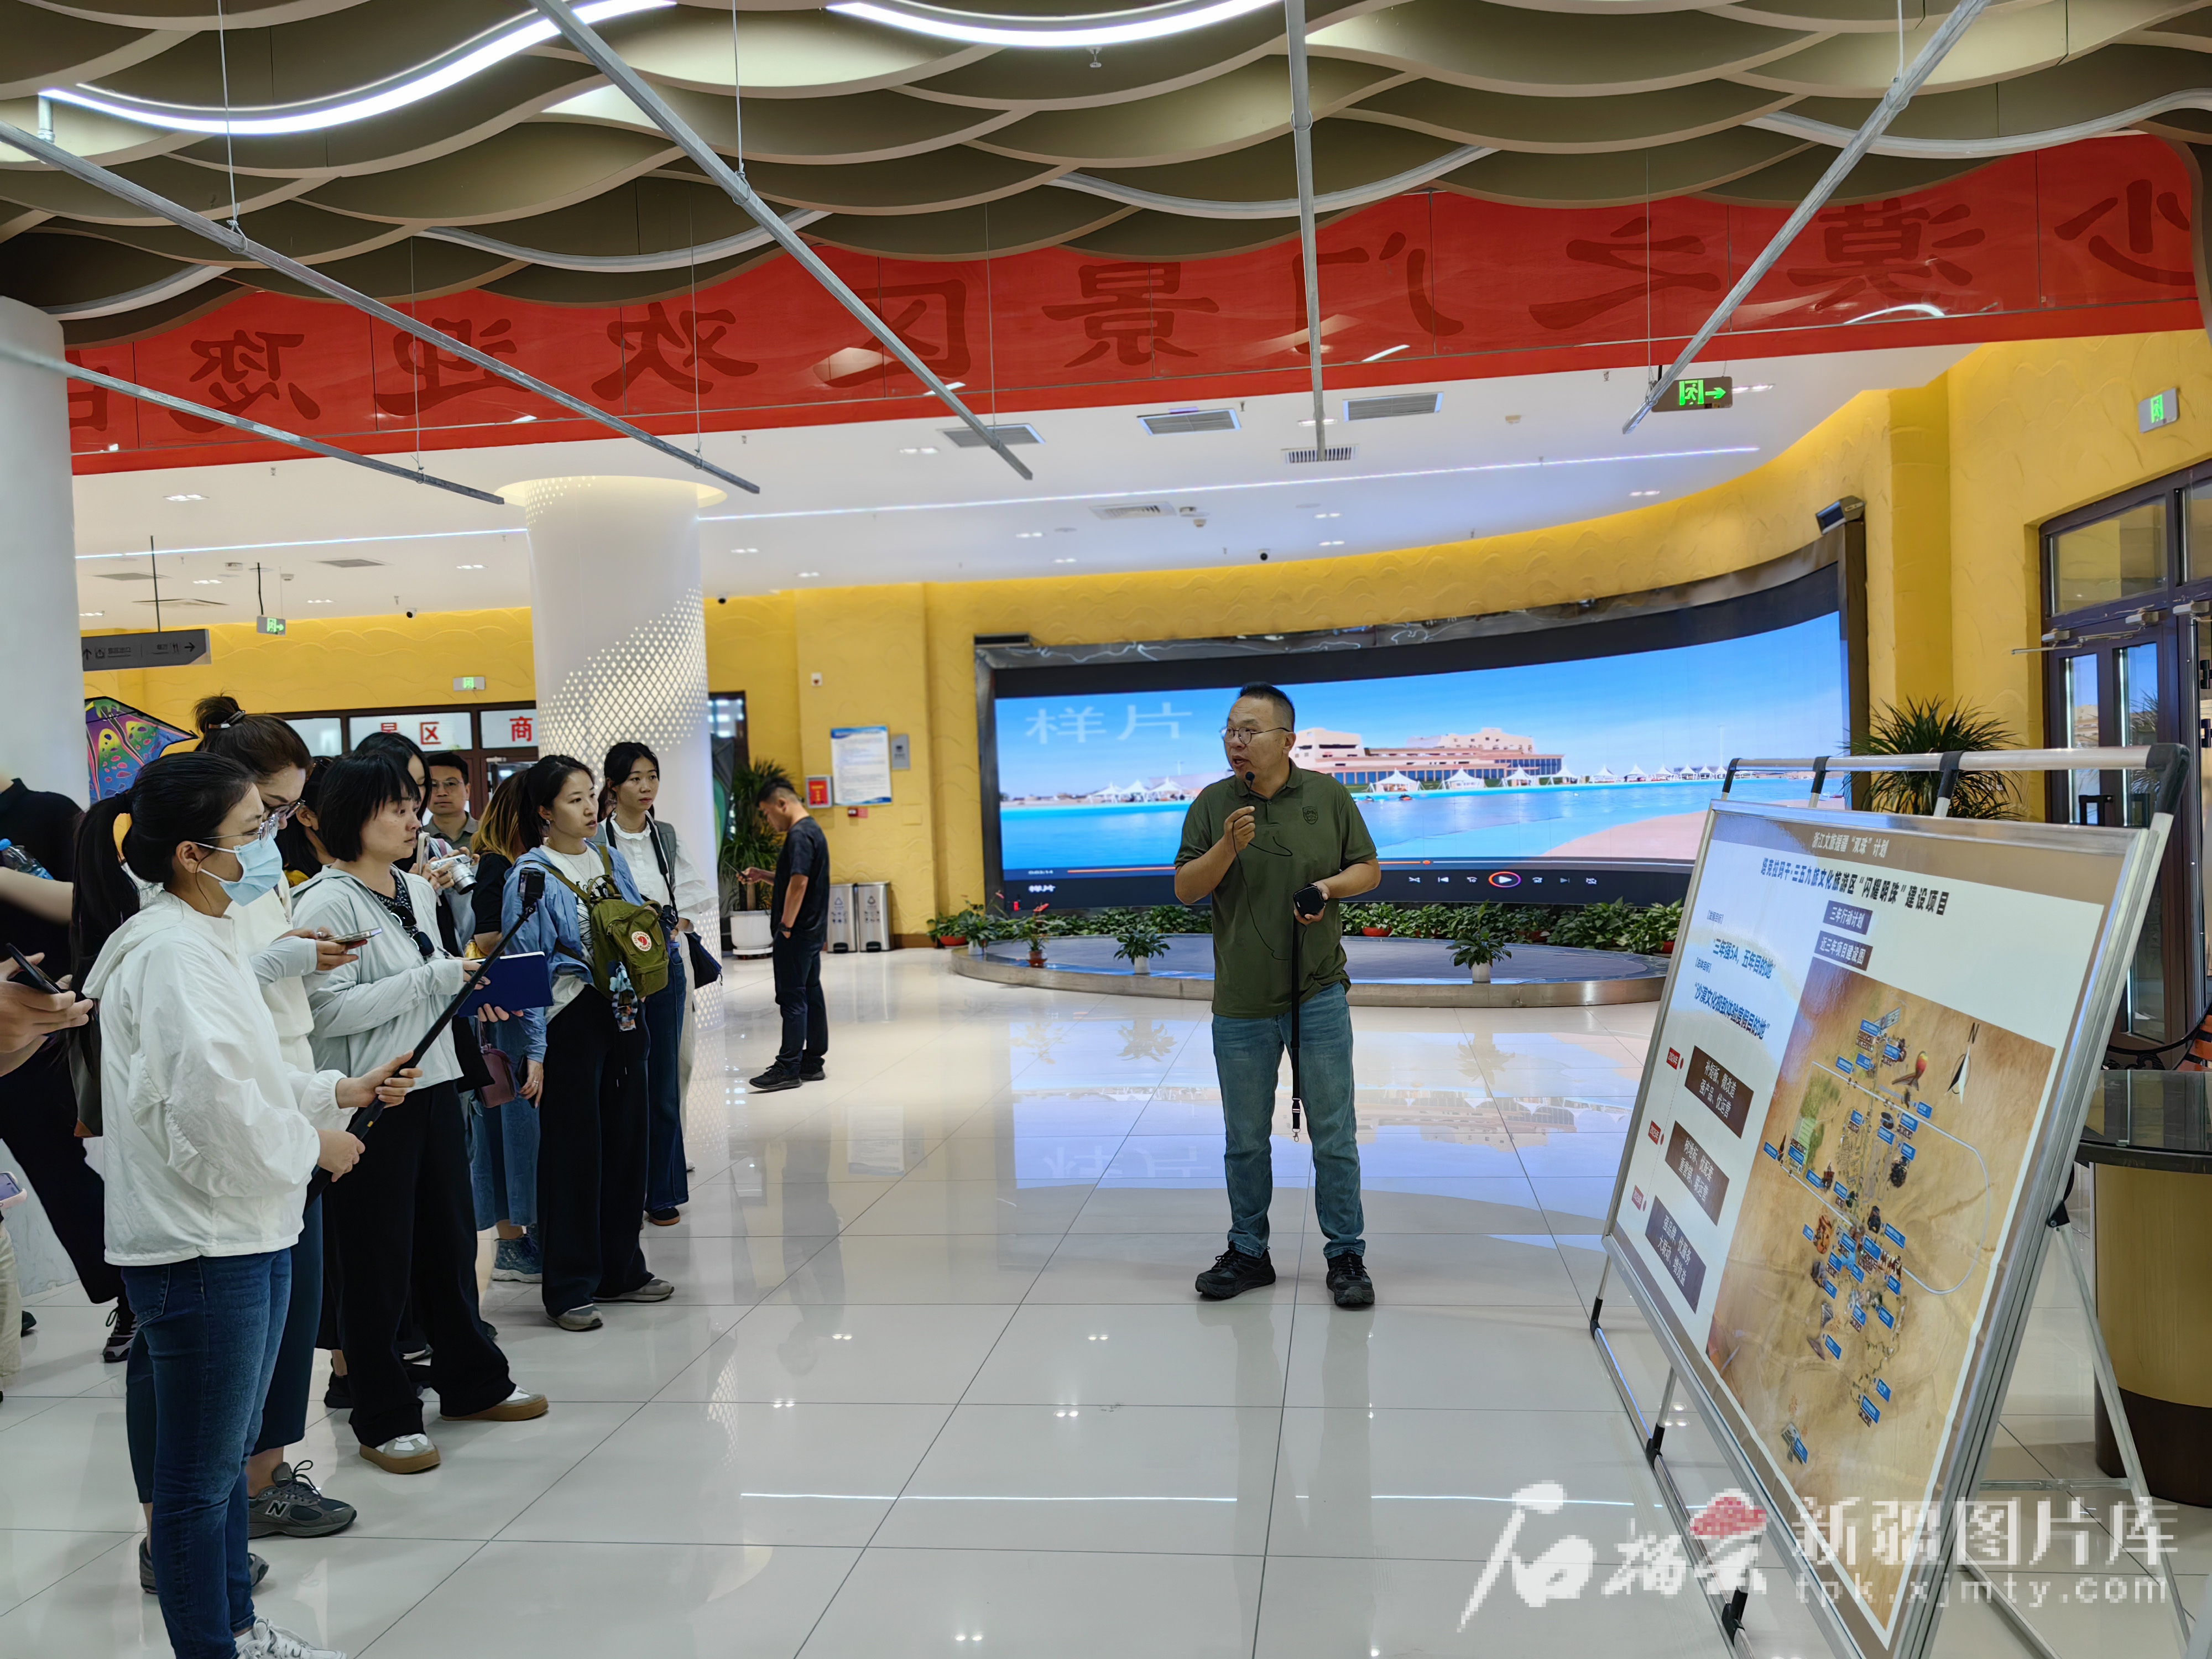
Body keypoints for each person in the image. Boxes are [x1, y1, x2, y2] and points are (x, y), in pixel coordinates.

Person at [73, 748, 420, 1659]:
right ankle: (214, 1643)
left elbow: (252, 1073)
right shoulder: (169, 955)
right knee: (198, 1479)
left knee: (222, 1463)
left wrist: (335, 1093)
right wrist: (314, 1144)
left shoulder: (210, 936)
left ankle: (234, 1627)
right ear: (193, 853)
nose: (266, 847)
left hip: (242, 1229)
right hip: (201, 1243)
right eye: (251, 831)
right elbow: (210, 1113)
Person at [116, 698, 365, 1573]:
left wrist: (326, 1089)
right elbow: (208, 1081)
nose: (278, 834)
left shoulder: (241, 887)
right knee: (190, 1380)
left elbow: (253, 1037)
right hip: (216, 1175)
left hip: (274, 1122)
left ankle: (249, 1500)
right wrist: (309, 1136)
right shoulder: (170, 929)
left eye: (285, 816)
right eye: (266, 817)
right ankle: (185, 1551)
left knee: (268, 1345)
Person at [293, 753, 547, 1474]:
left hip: (433, 1083)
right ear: (351, 818)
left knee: (448, 1244)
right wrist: (434, 979)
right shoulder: (324, 903)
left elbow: (430, 983)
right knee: (376, 1261)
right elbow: (322, 1014)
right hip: (371, 1097)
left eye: (414, 807)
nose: (414, 820)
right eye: (397, 809)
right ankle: (383, 1413)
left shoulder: (414, 888)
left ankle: (473, 1382)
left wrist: (470, 992)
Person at [1172, 684, 1381, 1311]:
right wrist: (1227, 847)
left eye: (1250, 731)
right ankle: (1247, 1251)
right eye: (1230, 731)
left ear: (1286, 740)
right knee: (1244, 1138)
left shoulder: (1328, 796)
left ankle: (1345, 1254)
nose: (1237, 742)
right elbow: (1186, 888)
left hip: (1317, 991)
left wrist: (1326, 888)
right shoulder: (1212, 805)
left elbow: (1368, 869)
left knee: (1334, 1134)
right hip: (1241, 999)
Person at [492, 755, 675, 1331]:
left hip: (623, 1012)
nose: (591, 807)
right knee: (573, 1154)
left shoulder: (608, 858)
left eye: (591, 795)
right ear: (545, 812)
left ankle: (621, 1270)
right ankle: (570, 1286)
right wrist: (535, 1052)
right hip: (568, 1020)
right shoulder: (531, 875)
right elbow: (525, 967)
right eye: (574, 799)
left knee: (627, 1142)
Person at [0, 764, 134, 1361]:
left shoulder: (49, 813)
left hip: (40, 1024)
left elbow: (92, 903)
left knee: (58, 1171)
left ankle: (131, 1295)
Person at [593, 742, 712, 1225]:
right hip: (615, 971)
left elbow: (692, 894)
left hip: (666, 964)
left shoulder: (665, 835)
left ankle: (662, 1190)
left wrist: (672, 926)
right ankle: (624, 1186)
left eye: (652, 777)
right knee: (624, 1078)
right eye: (635, 778)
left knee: (667, 1074)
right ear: (613, 785)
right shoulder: (597, 838)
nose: (646, 787)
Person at [465, 775, 540, 1284]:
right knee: (510, 1121)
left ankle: (529, 1231)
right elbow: (488, 935)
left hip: (528, 1003)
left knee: (526, 1123)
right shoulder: (498, 862)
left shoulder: (538, 860)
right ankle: (511, 1242)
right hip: (506, 1006)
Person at [742, 782, 828, 1093]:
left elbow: (799, 883)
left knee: (792, 997)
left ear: (781, 804)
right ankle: (812, 1061)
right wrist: (763, 875)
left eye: (767, 814)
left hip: (797, 933)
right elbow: (794, 878)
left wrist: (786, 926)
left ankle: (788, 1066)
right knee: (811, 993)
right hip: (812, 931)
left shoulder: (799, 835)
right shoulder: (813, 830)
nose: (769, 821)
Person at [423, 752, 476, 848]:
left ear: (467, 791)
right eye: (433, 785)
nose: (442, 792)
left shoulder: (490, 835)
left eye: (451, 784)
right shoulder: (415, 839)